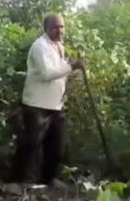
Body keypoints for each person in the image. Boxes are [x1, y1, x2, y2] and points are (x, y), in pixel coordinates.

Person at [11, 13, 84, 184]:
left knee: (55, 146)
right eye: (55, 27)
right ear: (46, 29)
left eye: (62, 27)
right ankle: (19, 182)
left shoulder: (58, 46)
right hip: (37, 105)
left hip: (55, 105)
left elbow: (59, 72)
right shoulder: (40, 46)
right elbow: (46, 74)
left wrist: (69, 71)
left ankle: (47, 181)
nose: (60, 30)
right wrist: (72, 66)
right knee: (31, 146)